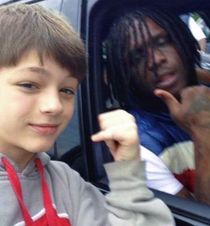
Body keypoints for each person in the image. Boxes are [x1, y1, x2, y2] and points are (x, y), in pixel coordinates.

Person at [0, 4, 175, 226]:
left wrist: (127, 173)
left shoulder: (65, 182)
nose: (54, 106)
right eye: (29, 84)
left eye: (67, 90)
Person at [104, 8, 210, 211]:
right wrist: (205, 133)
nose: (156, 60)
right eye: (137, 56)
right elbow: (209, 218)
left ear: (182, 39)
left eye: (162, 42)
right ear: (126, 72)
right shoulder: (140, 148)